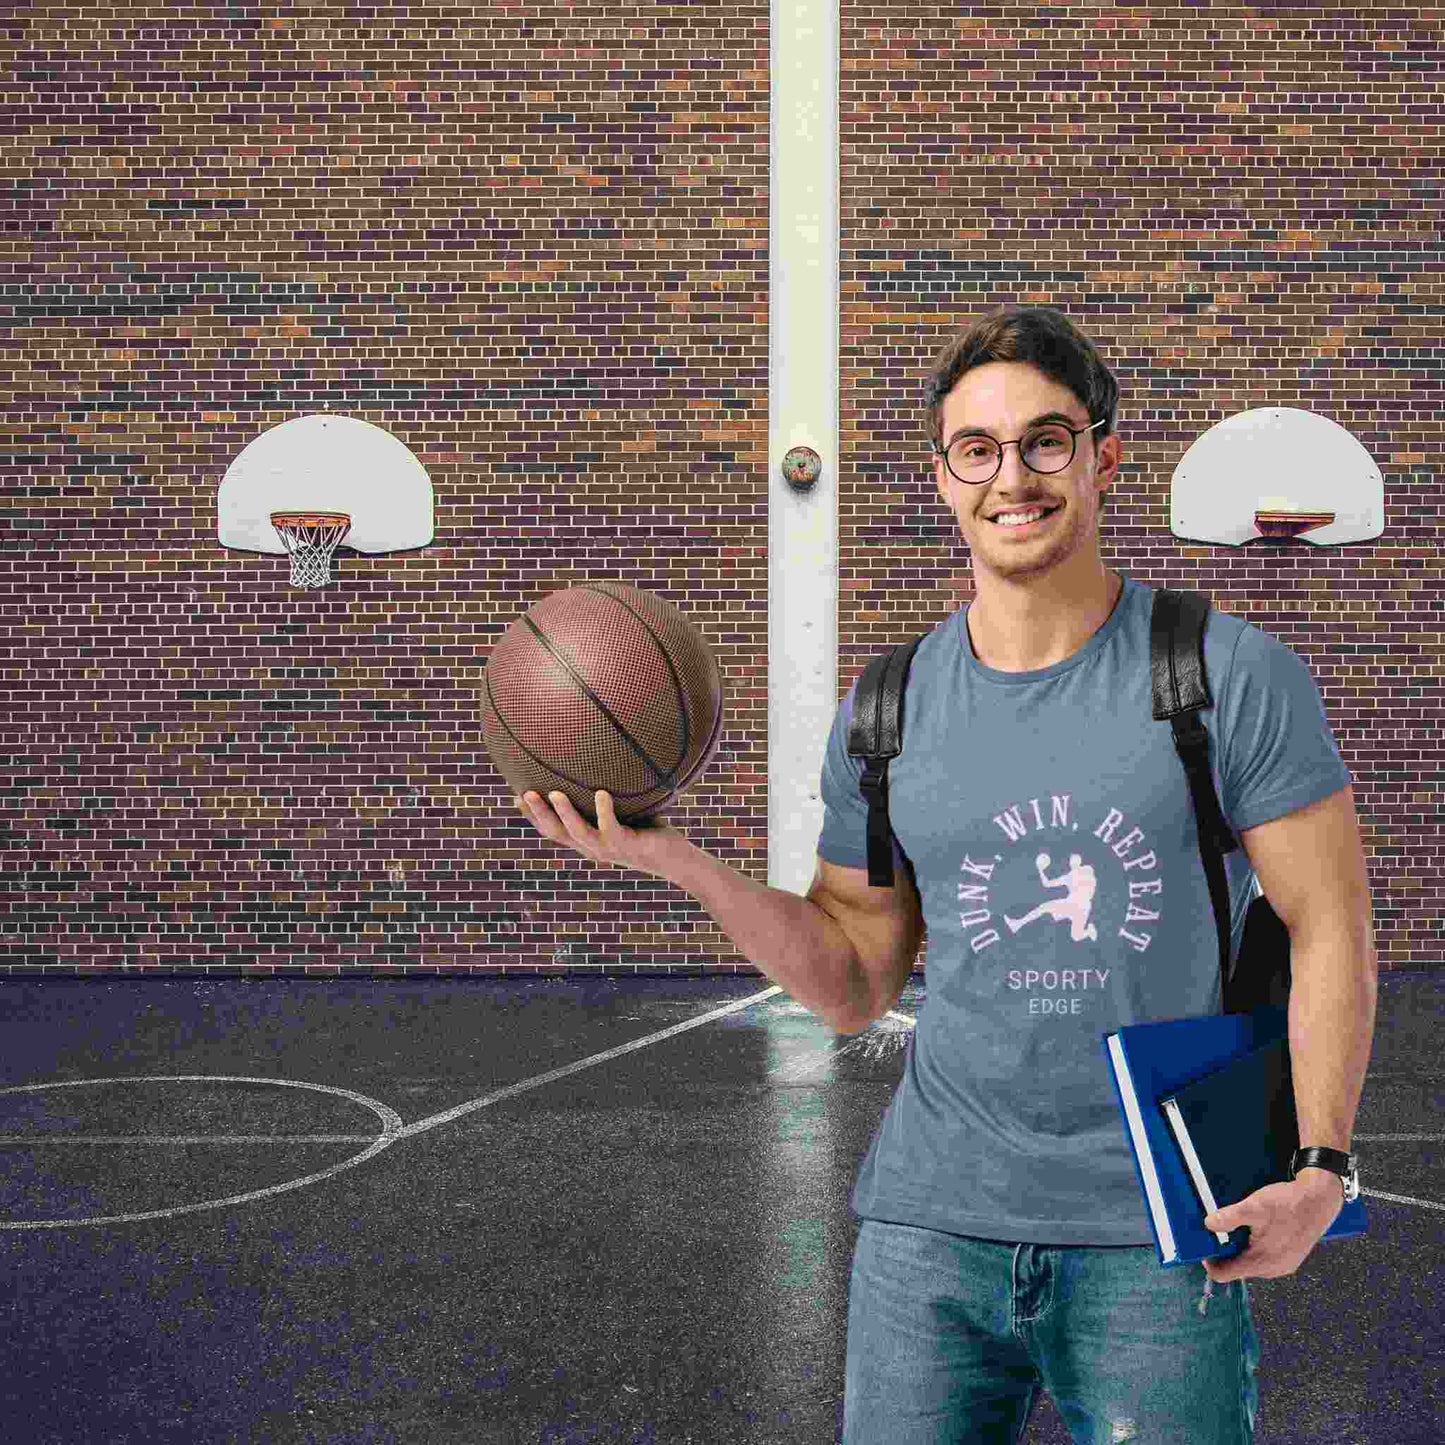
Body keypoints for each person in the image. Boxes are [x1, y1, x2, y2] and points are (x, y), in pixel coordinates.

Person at [516, 304, 1376, 1444]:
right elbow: (851, 982)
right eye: (977, 449)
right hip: (928, 1228)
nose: (1009, 476)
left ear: (1101, 455)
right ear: (940, 477)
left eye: (1043, 440)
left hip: (1155, 1229)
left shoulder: (1222, 673)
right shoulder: (889, 705)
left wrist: (1319, 1165)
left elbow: (1327, 922)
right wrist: (677, 860)